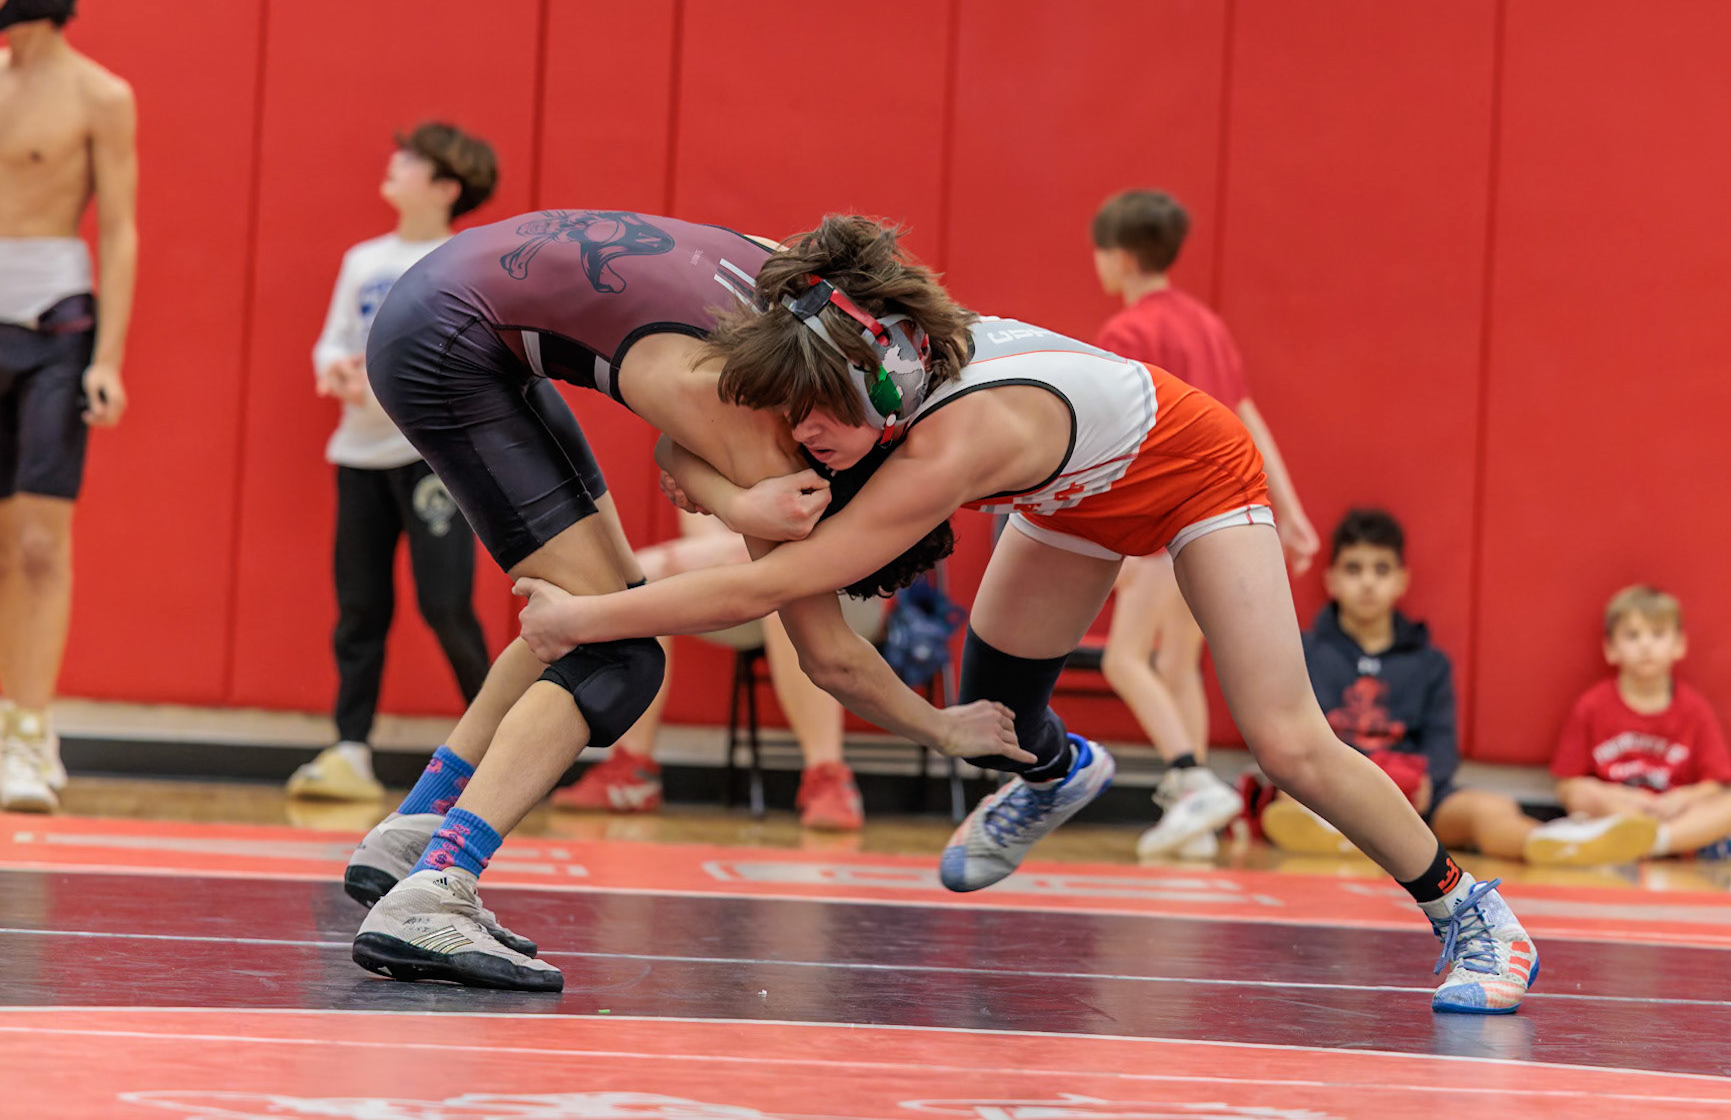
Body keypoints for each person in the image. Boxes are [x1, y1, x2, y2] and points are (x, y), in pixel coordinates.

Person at [518, 215, 1542, 1014]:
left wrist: (585, 617)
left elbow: (766, 588)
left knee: (1287, 741)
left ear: (882, 388)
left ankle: (1473, 913)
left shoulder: (950, 443)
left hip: (1193, 472)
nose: (798, 433)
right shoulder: (871, 372)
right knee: (996, 713)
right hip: (1072, 497)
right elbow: (682, 442)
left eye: (815, 416)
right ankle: (1057, 772)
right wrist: (734, 495)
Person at [343, 209, 1021, 993]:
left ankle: (415, 832)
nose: (816, 438)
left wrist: (732, 503)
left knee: (604, 613)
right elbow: (826, 655)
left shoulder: (806, 291)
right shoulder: (758, 427)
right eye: (826, 421)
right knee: (616, 659)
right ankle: (435, 890)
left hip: (465, 309)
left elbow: (675, 440)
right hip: (450, 338)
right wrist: (941, 728)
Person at [1088, 189, 1319, 860]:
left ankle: (1189, 778)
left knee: (1124, 658)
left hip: (1162, 521)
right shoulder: (1207, 325)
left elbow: (1119, 442)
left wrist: (1117, 533)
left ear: (1120, 258)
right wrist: (1291, 512)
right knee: (1177, 664)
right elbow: (1246, 418)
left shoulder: (1125, 334)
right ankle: (1197, 819)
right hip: (1216, 522)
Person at [286, 123, 499, 803]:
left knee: (446, 604)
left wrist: (392, 382)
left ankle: (499, 749)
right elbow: (332, 340)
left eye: (412, 161)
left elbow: (471, 360)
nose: (395, 165)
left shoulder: (464, 262)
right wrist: (336, 370)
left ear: (446, 187)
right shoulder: (363, 259)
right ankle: (350, 750)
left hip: (433, 458)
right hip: (359, 456)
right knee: (359, 606)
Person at [1263, 508, 1659, 867]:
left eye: (1381, 570)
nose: (1368, 582)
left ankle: (1551, 842)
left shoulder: (1430, 663)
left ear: (1402, 580)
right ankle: (1340, 832)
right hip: (1336, 789)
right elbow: (1294, 735)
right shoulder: (1305, 651)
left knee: (1491, 808)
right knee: (1291, 797)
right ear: (1331, 580)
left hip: (1415, 800)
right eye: (1354, 569)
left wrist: (1424, 783)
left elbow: (1441, 746)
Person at [0, 0, 135, 813]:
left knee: (41, 543)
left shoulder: (100, 94)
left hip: (56, 326)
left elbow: (119, 228)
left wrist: (107, 358)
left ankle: (28, 731)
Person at [552, 509, 868, 830]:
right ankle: (633, 772)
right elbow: (702, 535)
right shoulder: (699, 473)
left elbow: (846, 540)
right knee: (640, 584)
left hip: (848, 584)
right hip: (747, 575)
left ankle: (828, 774)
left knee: (793, 598)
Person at [1550, 585, 1731, 860]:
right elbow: (1567, 785)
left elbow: (1716, 784)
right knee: (1579, 793)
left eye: (1657, 634)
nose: (1645, 645)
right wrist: (1620, 799)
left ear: (1679, 645)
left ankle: (1657, 842)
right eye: (1633, 635)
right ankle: (1632, 837)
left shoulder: (1696, 710)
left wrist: (1680, 799)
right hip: (1616, 814)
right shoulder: (1591, 706)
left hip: (1676, 818)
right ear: (1611, 649)